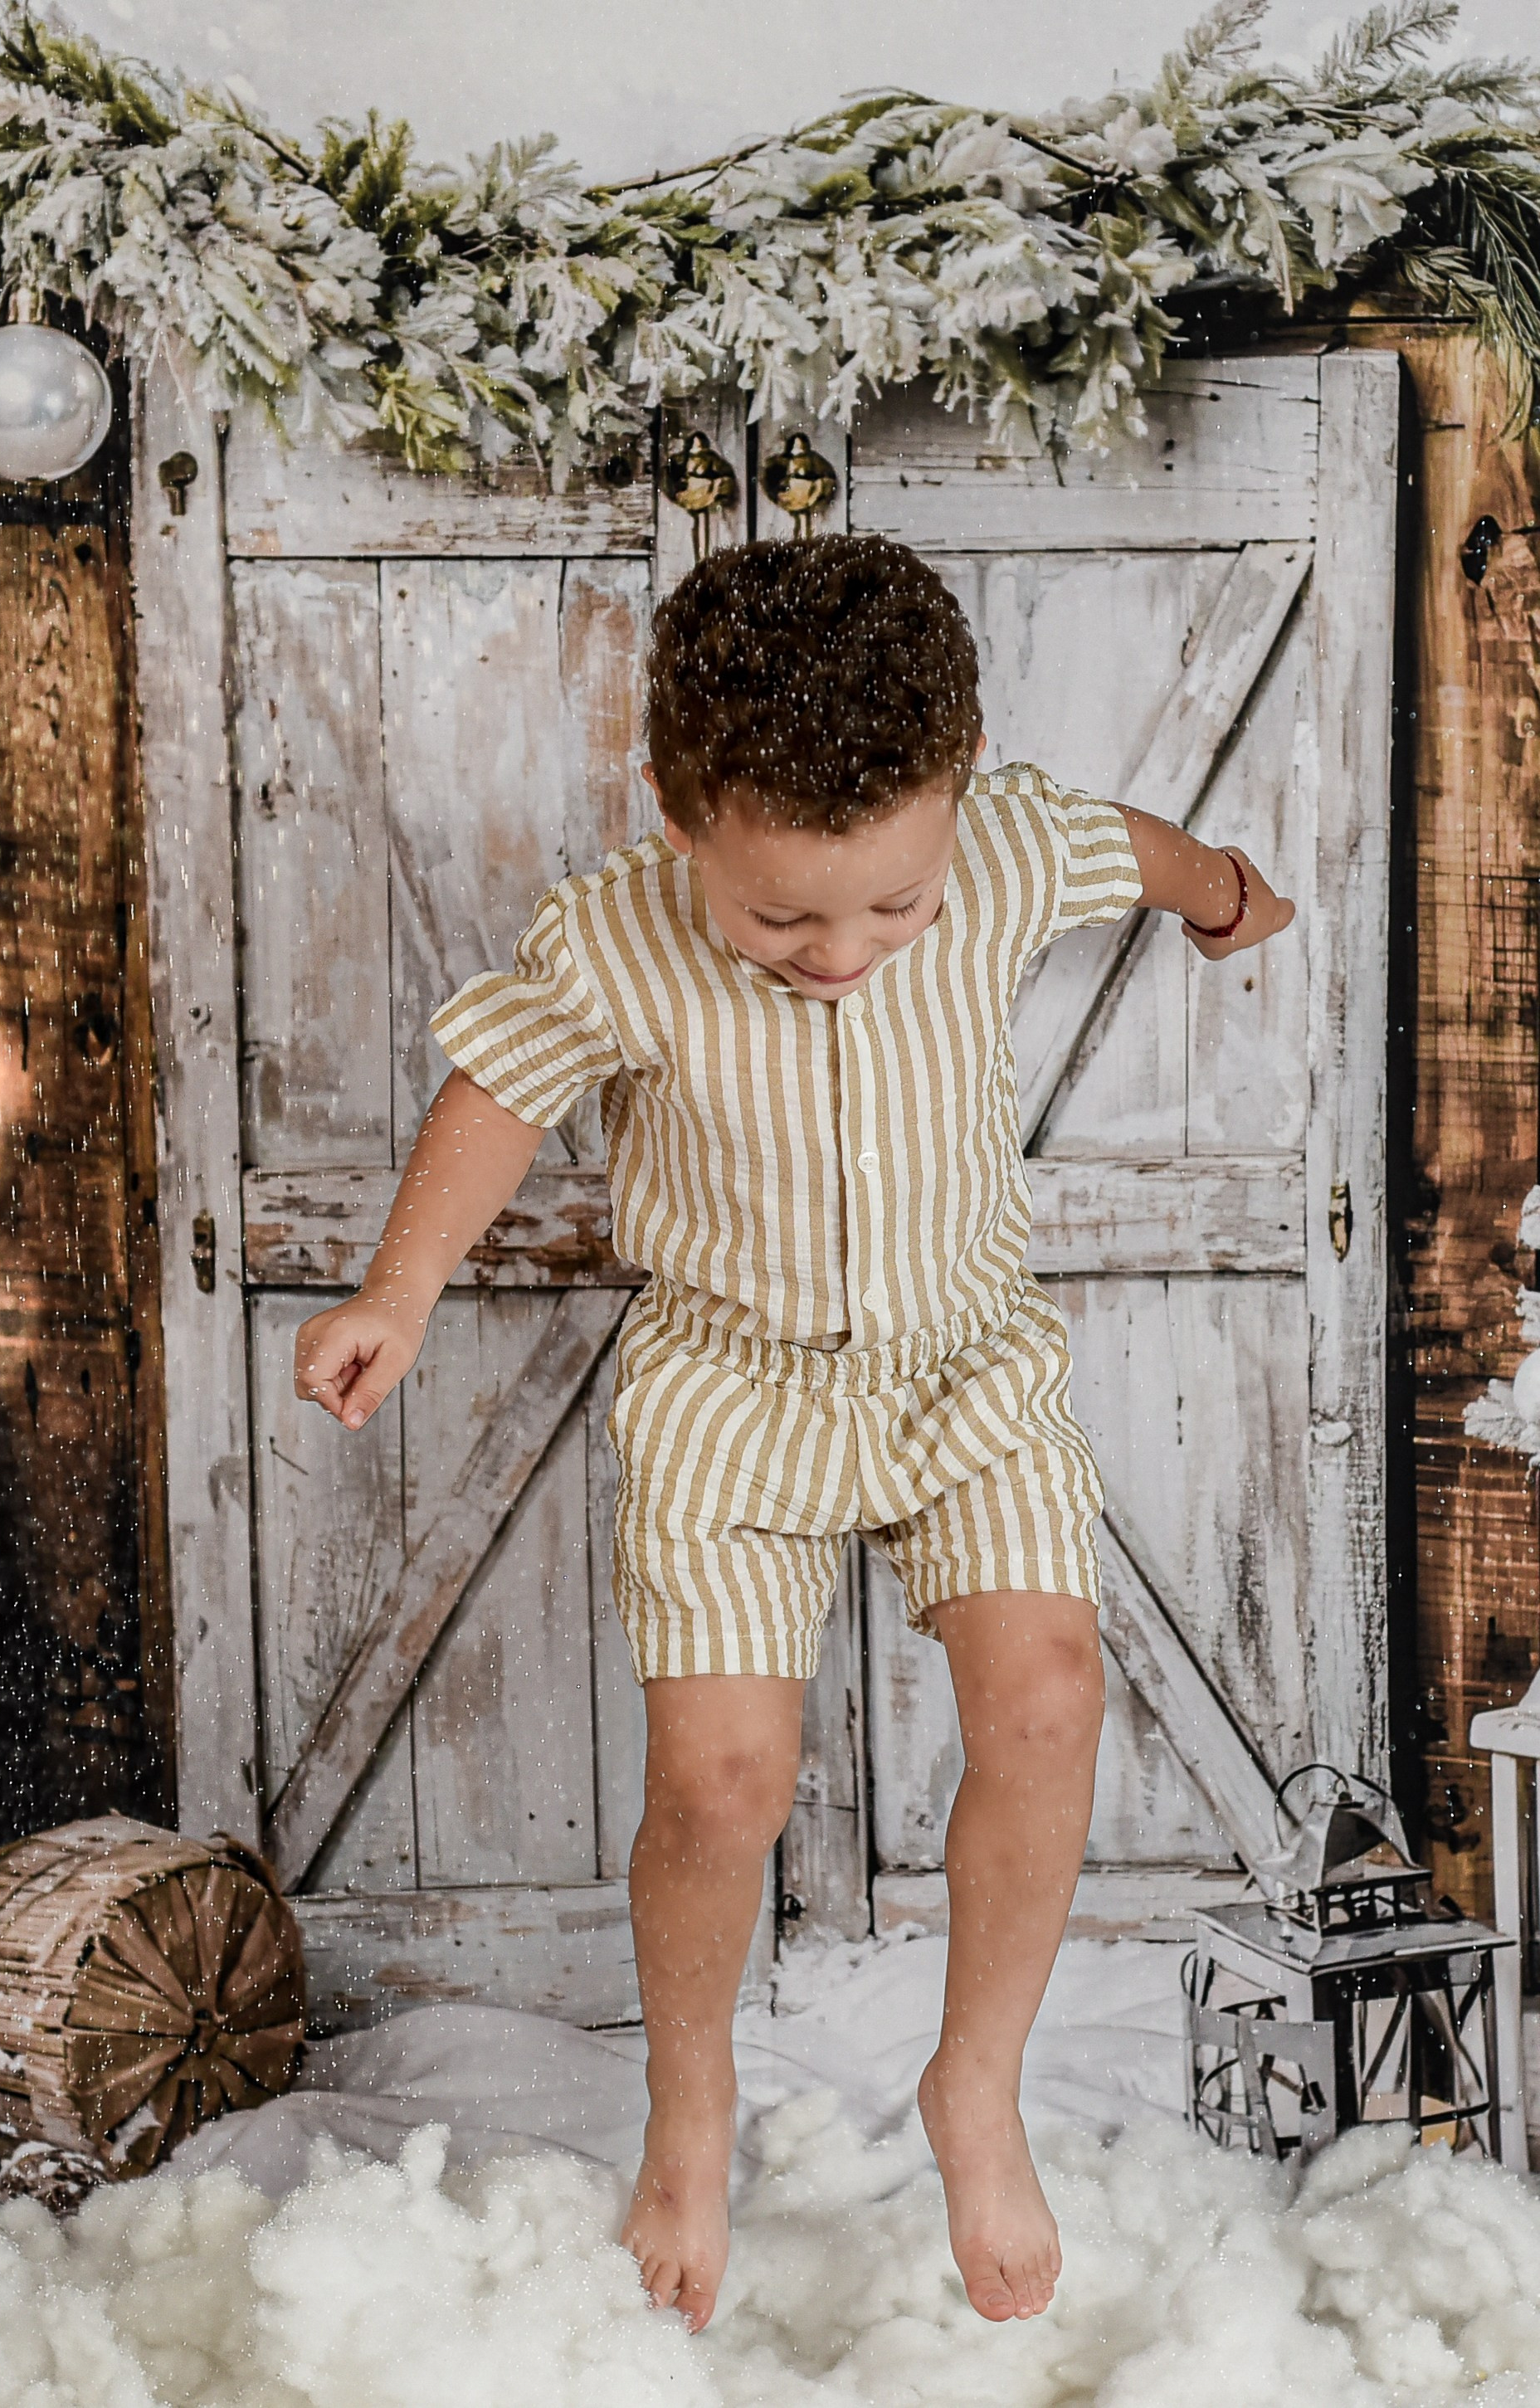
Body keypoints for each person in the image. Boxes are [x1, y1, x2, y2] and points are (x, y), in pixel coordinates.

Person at [294, 534, 1294, 2332]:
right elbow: (497, 1092)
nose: (840, 952)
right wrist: (397, 1292)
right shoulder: (609, 929)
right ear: (679, 825)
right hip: (730, 1383)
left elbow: (1135, 848)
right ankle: (690, 2103)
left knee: (1047, 1694)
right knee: (721, 1783)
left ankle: (970, 2084)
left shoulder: (998, 842)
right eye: (781, 920)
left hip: (960, 1364)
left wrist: (1223, 891)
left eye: (888, 909)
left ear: (954, 814)